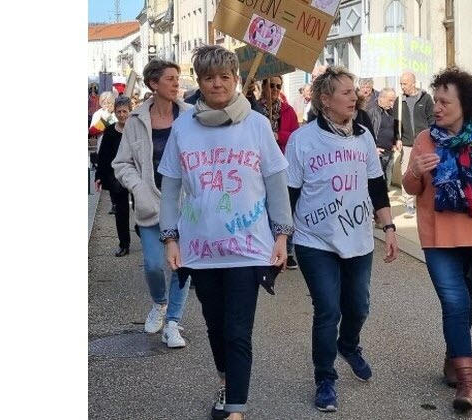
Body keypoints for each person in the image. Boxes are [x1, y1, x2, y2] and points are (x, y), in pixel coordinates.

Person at [158, 45, 291, 420]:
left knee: (237, 330)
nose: (217, 84)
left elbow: (275, 180)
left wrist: (282, 234)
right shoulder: (184, 126)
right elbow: (171, 184)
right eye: (209, 78)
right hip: (200, 249)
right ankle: (225, 380)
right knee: (216, 327)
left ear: (235, 79)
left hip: (248, 248)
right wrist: (170, 237)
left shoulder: (257, 124)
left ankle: (236, 409)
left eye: (224, 77)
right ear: (199, 82)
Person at [285, 65, 399, 413]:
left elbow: (376, 186)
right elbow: (290, 193)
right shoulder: (302, 140)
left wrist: (389, 228)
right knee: (327, 310)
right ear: (325, 99)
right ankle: (325, 379)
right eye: (347, 92)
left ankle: (348, 345)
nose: (356, 97)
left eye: (355, 92)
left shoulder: (363, 136)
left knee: (359, 306)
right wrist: (280, 242)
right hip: (314, 239)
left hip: (358, 238)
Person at [401, 67, 472, 412]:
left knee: (466, 304)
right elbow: (410, 187)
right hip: (438, 239)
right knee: (455, 304)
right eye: (435, 101)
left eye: (443, 101)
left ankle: (454, 356)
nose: (436, 107)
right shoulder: (425, 140)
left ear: (464, 103)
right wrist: (416, 171)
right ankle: (467, 384)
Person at [112, 59, 191, 348]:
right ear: (153, 84)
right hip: (150, 202)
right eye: (170, 78)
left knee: (182, 265)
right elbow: (121, 163)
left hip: (184, 203)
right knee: (154, 264)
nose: (176, 83)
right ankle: (159, 303)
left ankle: (173, 322)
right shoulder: (135, 120)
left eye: (177, 78)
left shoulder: (191, 116)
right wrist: (138, 188)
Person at [259, 76, 301, 270]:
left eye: (278, 86)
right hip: (259, 167)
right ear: (263, 87)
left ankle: (288, 249)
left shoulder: (288, 110)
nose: (275, 89)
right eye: (272, 85)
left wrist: (279, 135)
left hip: (283, 164)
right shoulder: (254, 110)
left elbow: (296, 135)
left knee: (284, 206)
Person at [95, 95, 133, 257]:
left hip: (135, 174)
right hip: (116, 177)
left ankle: (141, 231)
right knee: (121, 212)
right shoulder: (110, 131)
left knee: (141, 208)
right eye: (119, 111)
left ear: (130, 112)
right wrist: (99, 176)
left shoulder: (136, 129)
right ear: (115, 112)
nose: (122, 114)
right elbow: (103, 155)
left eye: (125, 111)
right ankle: (124, 243)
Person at [396, 71, 435, 217]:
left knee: (427, 171)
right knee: (407, 171)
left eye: (404, 83)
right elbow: (396, 122)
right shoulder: (399, 101)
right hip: (406, 142)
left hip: (424, 142)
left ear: (413, 82)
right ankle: (408, 202)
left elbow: (432, 119)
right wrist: (397, 138)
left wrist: (432, 137)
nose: (402, 86)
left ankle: (425, 200)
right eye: (401, 83)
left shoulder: (425, 98)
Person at [365, 87, 401, 188]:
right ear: (381, 98)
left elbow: (393, 127)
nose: (392, 104)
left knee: (387, 184)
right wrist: (372, 149)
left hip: (389, 152)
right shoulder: (370, 111)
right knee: (379, 184)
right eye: (390, 100)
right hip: (377, 154)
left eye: (393, 101)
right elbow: (365, 134)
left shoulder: (390, 111)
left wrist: (397, 140)